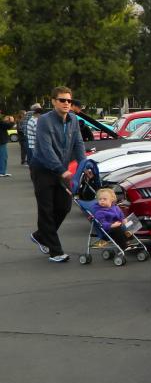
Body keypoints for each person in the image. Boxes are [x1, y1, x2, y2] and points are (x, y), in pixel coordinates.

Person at [28, 86, 88, 262]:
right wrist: (62, 170)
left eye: (69, 100)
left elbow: (78, 143)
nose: (66, 103)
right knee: (46, 210)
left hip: (61, 170)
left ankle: (41, 235)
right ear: (53, 101)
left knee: (64, 206)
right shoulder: (45, 121)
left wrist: (85, 166)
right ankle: (55, 251)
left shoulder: (73, 119)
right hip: (43, 169)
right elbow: (45, 149)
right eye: (62, 100)